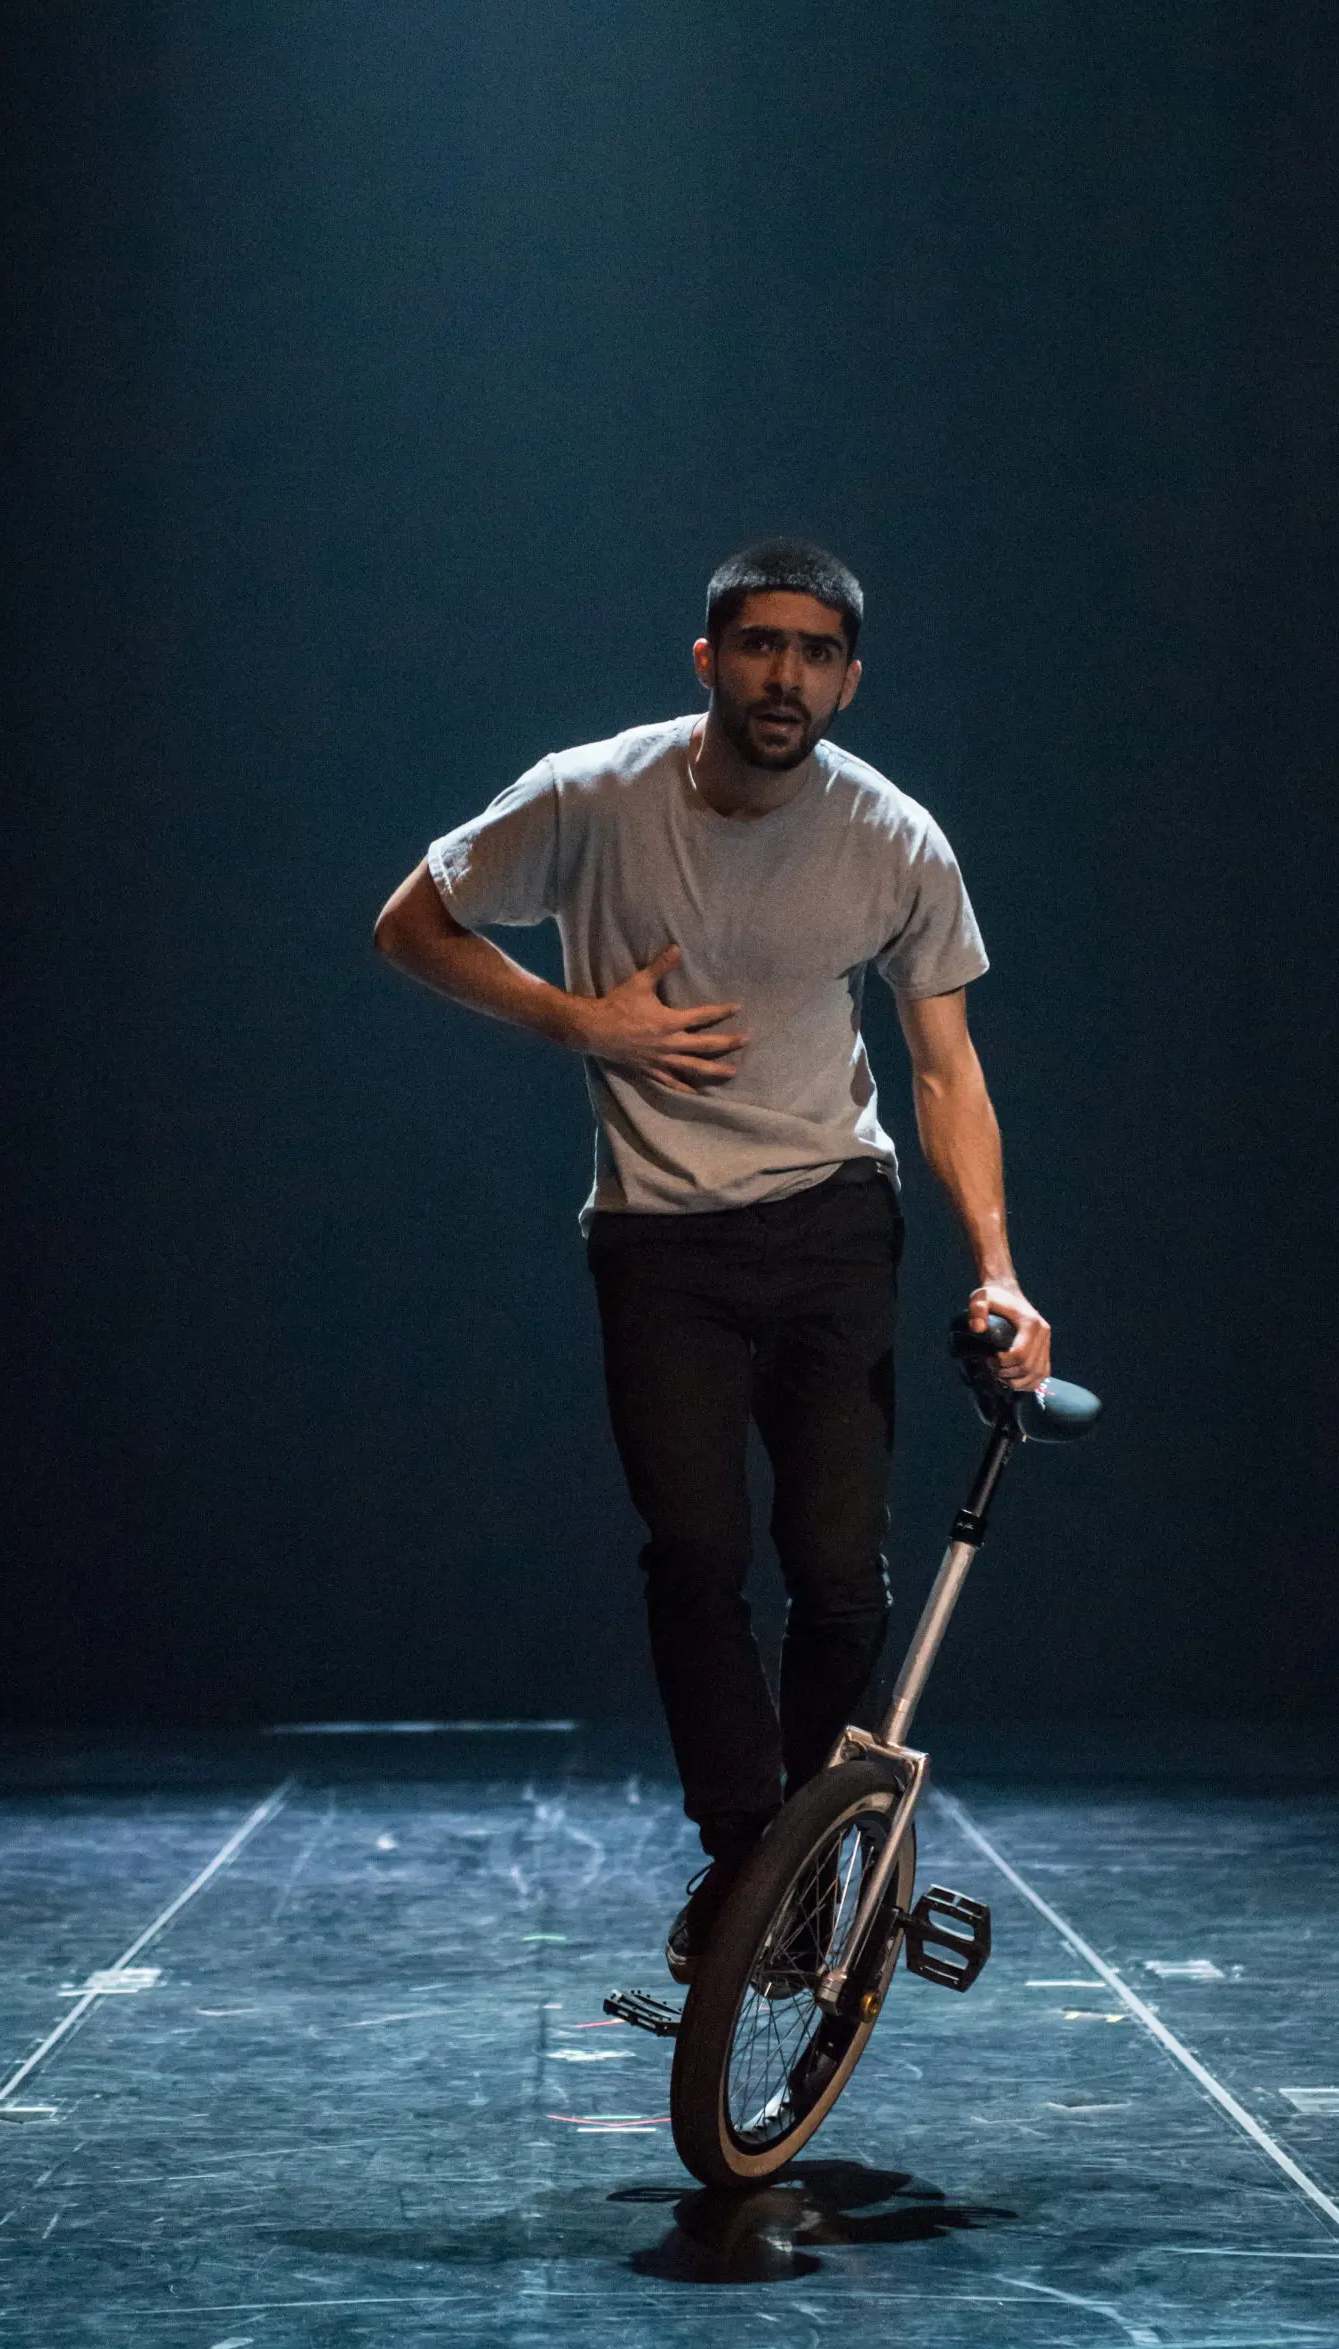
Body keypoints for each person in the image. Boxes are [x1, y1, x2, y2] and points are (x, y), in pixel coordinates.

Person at [374, 538, 1050, 1978]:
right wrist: (582, 1023)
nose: (784, 674)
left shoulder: (895, 837)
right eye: (759, 645)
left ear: (848, 682)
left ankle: (803, 1863)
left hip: (827, 1222)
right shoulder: (590, 794)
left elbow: (945, 1070)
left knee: (836, 1575)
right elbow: (411, 922)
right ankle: (747, 1860)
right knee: (693, 1556)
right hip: (661, 1238)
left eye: (814, 653)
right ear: (708, 660)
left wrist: (998, 1267)